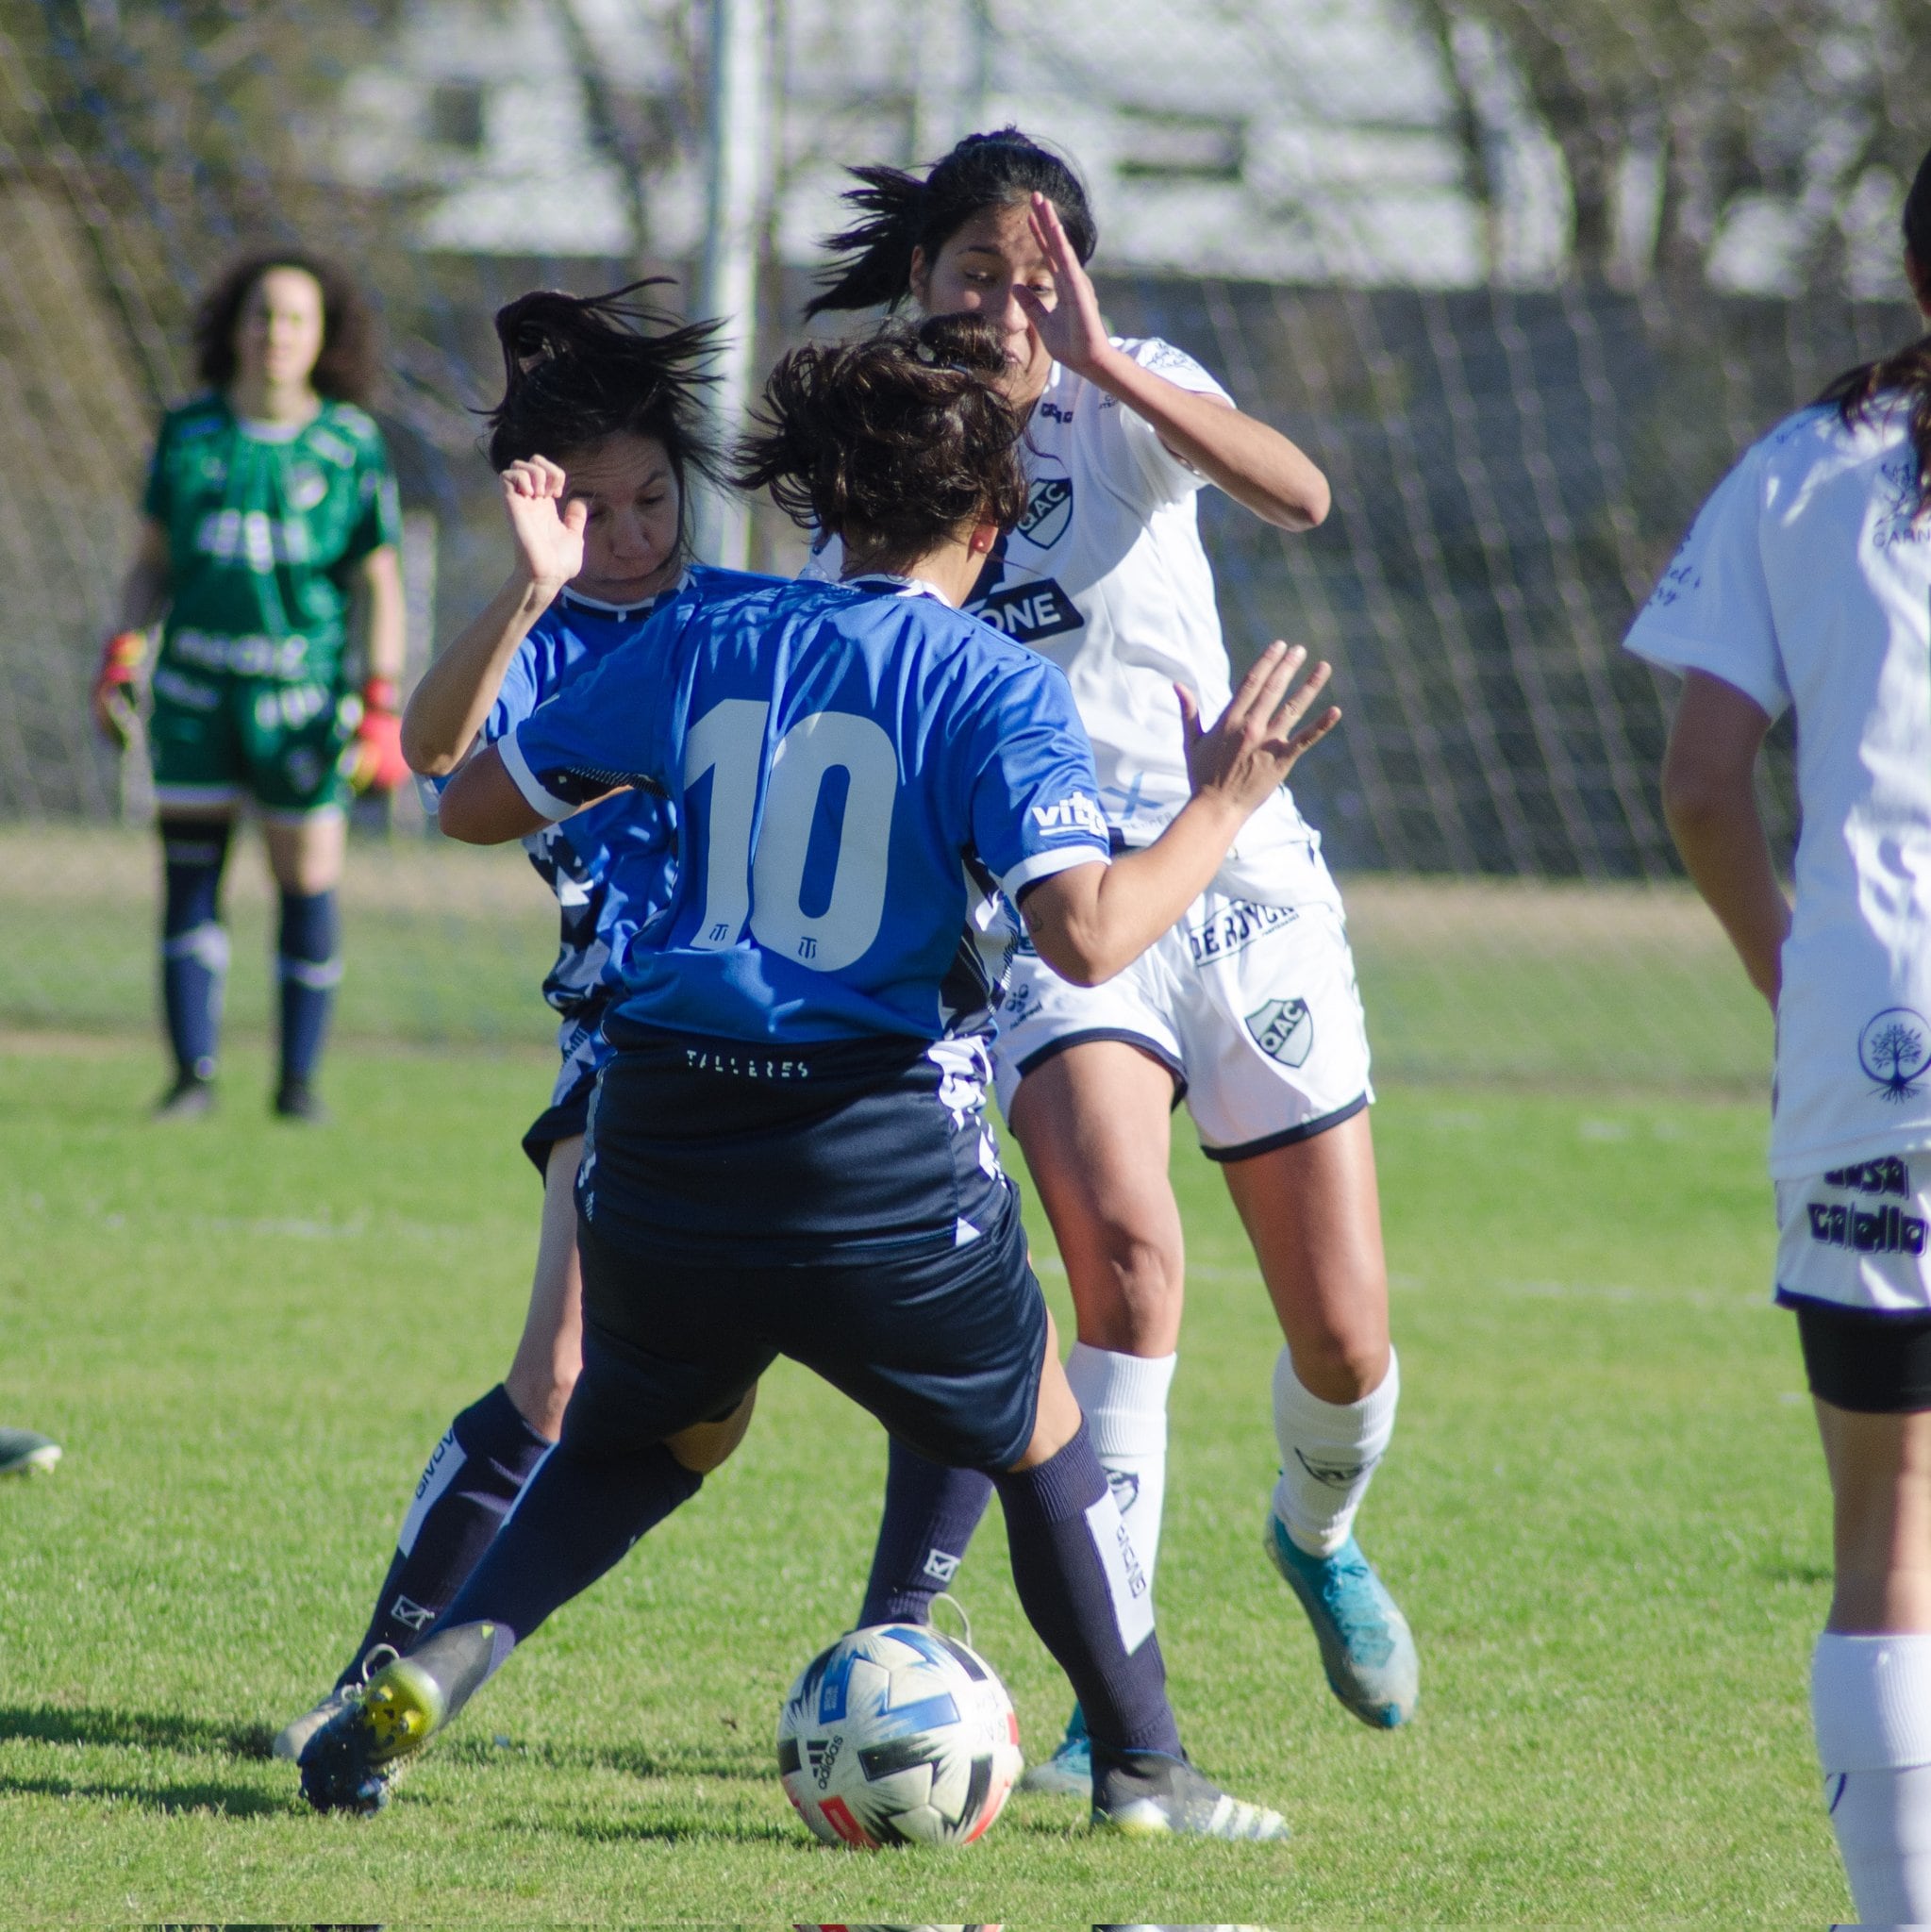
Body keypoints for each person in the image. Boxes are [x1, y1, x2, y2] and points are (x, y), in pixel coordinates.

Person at [294, 313, 1336, 1839]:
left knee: (647, 1437)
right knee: (1039, 1427)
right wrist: (1223, 799)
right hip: (870, 1162)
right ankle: (1145, 1768)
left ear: (822, 507)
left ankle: (429, 1674)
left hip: (653, 1137)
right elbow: (1093, 934)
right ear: (985, 526)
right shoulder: (991, 681)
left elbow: (465, 804)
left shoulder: (697, 637)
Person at [804, 128, 1415, 1784]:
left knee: (1344, 1338)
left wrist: (1109, 370)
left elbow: (1300, 494)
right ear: (921, 281)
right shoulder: (887, 448)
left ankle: (1315, 1529)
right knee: (1128, 1260)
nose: (1006, 302)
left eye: (1035, 271)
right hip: (1062, 913)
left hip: (1238, 861)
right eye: (974, 272)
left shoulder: (1125, 379)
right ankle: (1107, 1717)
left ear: (1077, 275)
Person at [272, 285, 754, 1761]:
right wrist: (533, 588)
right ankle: (374, 1681)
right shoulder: (540, 639)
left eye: (653, 499)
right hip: (623, 1037)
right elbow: (429, 755)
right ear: (542, 509)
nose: (631, 531)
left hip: (799, 1043)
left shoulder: (744, 618)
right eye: (593, 510)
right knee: (555, 1376)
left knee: (906, 1387)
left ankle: (1020, 1700)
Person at [1626, 143, 1931, 1925]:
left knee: (1886, 1525)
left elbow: (1699, 785)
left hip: (1872, 1025)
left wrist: (1795, 973)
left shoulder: (1806, 466)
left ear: (1906, 268)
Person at [92, 251, 407, 1123]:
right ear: (234, 325)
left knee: (306, 878)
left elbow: (378, 582)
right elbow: (149, 566)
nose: (276, 334)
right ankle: (191, 1081)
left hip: (299, 703)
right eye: (262, 315)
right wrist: (123, 653)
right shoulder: (189, 431)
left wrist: (380, 706)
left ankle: (297, 1085)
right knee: (189, 878)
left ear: (323, 337)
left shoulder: (348, 443)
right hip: (195, 691)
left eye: (296, 319)